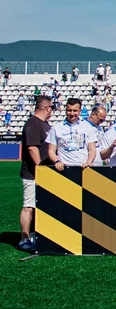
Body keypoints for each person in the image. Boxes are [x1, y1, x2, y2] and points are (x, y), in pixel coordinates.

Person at [18, 96, 52, 251]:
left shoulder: (44, 124)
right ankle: (24, 239)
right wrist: (40, 168)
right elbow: (32, 147)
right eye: (51, 107)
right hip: (32, 174)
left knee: (39, 206)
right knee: (29, 206)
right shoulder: (33, 123)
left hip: (42, 173)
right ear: (47, 108)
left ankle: (35, 235)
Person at [46, 98, 99, 170]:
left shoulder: (88, 127)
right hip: (63, 169)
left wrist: (89, 162)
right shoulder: (56, 128)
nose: (72, 113)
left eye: (75, 110)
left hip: (83, 168)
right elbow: (51, 150)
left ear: (80, 111)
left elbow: (92, 149)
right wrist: (57, 161)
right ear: (66, 111)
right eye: (69, 110)